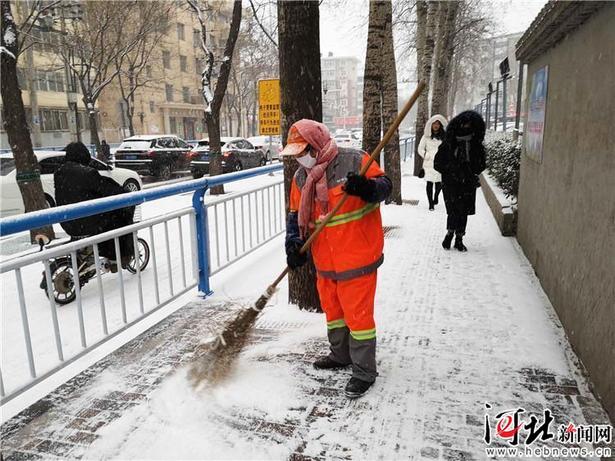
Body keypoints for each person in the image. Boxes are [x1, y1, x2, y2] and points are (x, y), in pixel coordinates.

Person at [282, 119, 392, 399]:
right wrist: (293, 245)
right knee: (334, 312)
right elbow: (296, 216)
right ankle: (340, 355)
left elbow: (385, 186)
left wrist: (367, 190)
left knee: (358, 317)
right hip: (325, 260)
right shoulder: (300, 178)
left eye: (301, 150)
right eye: (294, 153)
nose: (299, 157)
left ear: (316, 144)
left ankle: (364, 371)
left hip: (357, 256)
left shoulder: (355, 161)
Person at [55, 142, 134, 269]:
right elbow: (106, 188)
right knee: (119, 219)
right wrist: (124, 194)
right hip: (88, 223)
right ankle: (117, 257)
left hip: (68, 222)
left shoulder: (59, 173)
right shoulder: (87, 173)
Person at [433, 110, 486, 252]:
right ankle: (450, 234)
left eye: (469, 125)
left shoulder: (476, 145)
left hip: (467, 182)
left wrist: (472, 169)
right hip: (451, 182)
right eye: (464, 125)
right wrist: (451, 170)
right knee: (453, 210)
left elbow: (482, 164)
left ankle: (459, 238)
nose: (466, 128)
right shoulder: (449, 143)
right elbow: (437, 163)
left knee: (463, 211)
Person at [417, 114, 448, 210]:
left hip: (440, 163)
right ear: (431, 125)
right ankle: (431, 203)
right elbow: (420, 149)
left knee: (439, 184)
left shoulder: (444, 137)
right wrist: (427, 156)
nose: (436, 125)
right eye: (434, 123)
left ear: (440, 125)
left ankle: (436, 196)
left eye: (438, 123)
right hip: (429, 163)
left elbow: (448, 148)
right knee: (429, 183)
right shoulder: (426, 136)